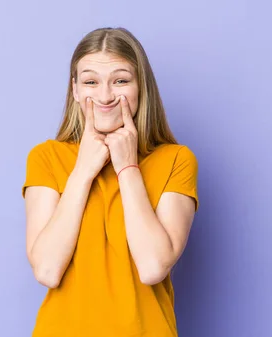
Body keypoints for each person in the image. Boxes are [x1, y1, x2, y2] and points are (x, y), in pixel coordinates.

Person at [21, 27, 199, 337]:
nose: (105, 96)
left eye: (120, 80)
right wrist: (83, 171)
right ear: (75, 90)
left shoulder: (176, 160)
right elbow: (47, 270)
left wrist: (128, 166)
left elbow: (153, 266)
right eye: (91, 81)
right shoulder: (46, 157)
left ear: (140, 87)